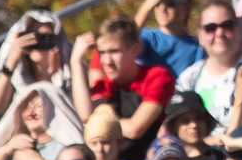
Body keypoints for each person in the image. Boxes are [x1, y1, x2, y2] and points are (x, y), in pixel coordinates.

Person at [71, 15, 174, 146]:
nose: (107, 61)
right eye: (102, 53)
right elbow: (86, 115)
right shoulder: (105, 85)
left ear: (135, 49)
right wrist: (75, 62)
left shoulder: (157, 76)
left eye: (114, 51)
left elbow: (134, 129)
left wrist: (99, 123)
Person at [173, 0, 242, 130]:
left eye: (227, 25)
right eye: (210, 28)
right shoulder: (188, 78)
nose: (219, 33)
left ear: (239, 29)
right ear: (200, 35)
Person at [134, 0, 205, 78]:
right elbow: (126, 43)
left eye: (170, 2)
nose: (162, 8)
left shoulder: (199, 46)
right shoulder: (148, 38)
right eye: (157, 3)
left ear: (188, 6)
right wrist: (147, 5)